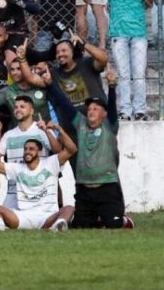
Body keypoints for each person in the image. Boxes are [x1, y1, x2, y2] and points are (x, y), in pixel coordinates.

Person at [45, 70, 133, 229]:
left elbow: (112, 109)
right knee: (81, 227)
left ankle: (123, 219)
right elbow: (64, 103)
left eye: (96, 108)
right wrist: (50, 84)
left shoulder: (110, 126)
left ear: (104, 114)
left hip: (107, 188)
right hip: (84, 189)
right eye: (90, 108)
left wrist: (112, 87)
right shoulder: (81, 123)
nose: (91, 111)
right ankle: (97, 217)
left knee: (114, 225)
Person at [92, 0, 153, 121]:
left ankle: (140, 110)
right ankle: (125, 111)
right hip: (119, 34)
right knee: (124, 75)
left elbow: (149, 4)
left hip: (139, 34)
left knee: (139, 74)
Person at [0, 123, 77, 231]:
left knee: (69, 208)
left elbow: (72, 149)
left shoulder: (51, 163)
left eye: (31, 149)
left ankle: (59, 225)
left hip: (46, 217)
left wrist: (59, 129)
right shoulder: (17, 168)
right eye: (25, 149)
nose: (27, 152)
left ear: (40, 152)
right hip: (22, 217)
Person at [0, 96, 64, 210]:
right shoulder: (9, 134)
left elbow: (58, 151)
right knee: (2, 222)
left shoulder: (42, 130)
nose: (18, 109)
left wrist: (46, 131)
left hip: (40, 191)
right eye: (16, 107)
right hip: (14, 192)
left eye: (22, 107)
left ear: (32, 111)